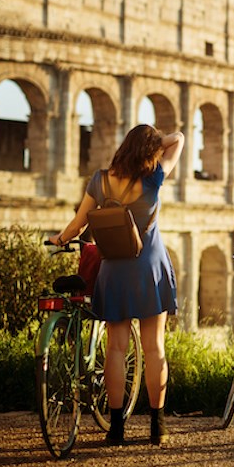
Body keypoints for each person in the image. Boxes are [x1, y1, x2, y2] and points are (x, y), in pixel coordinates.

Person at [50, 125, 184, 446]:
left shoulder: (100, 180)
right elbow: (177, 139)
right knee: (154, 349)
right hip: (149, 268)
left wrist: (61, 238)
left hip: (114, 271)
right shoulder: (153, 178)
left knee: (115, 349)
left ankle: (116, 428)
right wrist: (154, 145)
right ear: (150, 152)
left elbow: (80, 221)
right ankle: (157, 427)